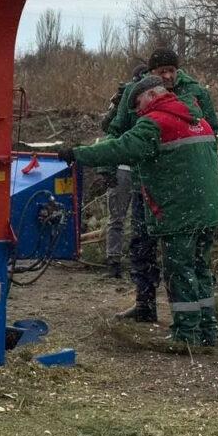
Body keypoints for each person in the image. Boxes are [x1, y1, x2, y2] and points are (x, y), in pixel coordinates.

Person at [60, 75, 218, 346]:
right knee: (201, 268)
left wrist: (78, 154)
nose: (136, 110)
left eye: (137, 103)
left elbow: (120, 148)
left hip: (179, 211)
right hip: (207, 210)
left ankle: (186, 335)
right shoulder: (198, 119)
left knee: (179, 271)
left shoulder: (155, 123)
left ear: (150, 96)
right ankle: (207, 330)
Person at [108, 47, 218, 321]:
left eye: (172, 70)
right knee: (142, 244)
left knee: (186, 254)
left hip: (186, 188)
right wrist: (108, 166)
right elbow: (116, 131)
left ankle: (193, 317)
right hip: (145, 184)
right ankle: (145, 303)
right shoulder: (136, 94)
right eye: (162, 72)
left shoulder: (194, 92)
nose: (168, 75)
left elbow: (212, 130)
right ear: (151, 73)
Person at [98, 64, 148, 278]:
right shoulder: (124, 102)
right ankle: (115, 261)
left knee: (138, 220)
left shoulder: (151, 104)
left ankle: (136, 262)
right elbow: (109, 129)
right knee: (118, 218)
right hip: (123, 167)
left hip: (141, 169)